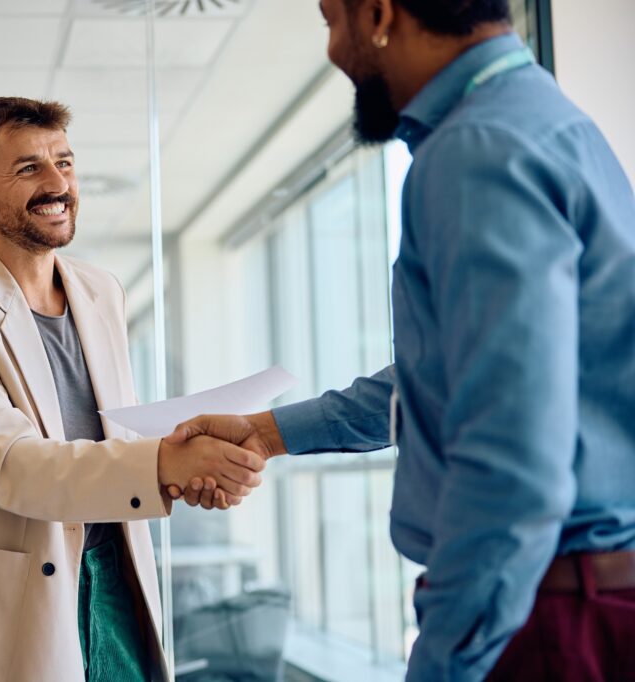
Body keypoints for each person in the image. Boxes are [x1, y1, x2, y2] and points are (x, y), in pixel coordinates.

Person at [165, 1, 635, 680]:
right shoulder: (549, 122)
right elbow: (457, 375)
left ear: (380, 13)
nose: (332, 49)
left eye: (332, 19)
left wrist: (442, 663)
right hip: (575, 603)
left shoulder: (475, 151)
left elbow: (509, 458)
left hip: (545, 624)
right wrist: (265, 432)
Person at [0, 97, 266, 682]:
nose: (57, 183)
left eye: (64, 162)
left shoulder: (101, 290)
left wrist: (188, 471)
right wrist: (167, 464)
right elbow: (12, 465)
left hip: (116, 575)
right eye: (28, 168)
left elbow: (117, 434)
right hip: (13, 602)